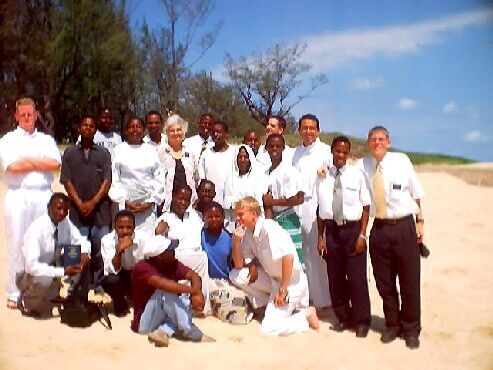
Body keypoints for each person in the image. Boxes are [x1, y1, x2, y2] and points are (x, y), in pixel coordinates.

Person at [357, 126, 425, 349]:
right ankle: (393, 325)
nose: (377, 143)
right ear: (368, 142)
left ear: (389, 141)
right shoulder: (362, 165)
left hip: (404, 226)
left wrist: (420, 221)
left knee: (409, 282)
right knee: (384, 283)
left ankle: (411, 329)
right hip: (379, 230)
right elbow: (341, 173)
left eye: (381, 139)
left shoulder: (401, 160)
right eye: (373, 139)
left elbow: (416, 193)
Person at [0, 97, 61, 309]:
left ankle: (49, 288)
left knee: (47, 242)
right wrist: (39, 162)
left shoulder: (45, 140)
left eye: (30, 114)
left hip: (44, 195)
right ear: (16, 116)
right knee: (17, 242)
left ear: (36, 115)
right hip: (18, 195)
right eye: (22, 114)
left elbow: (54, 164)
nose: (27, 118)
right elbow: (12, 167)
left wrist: (27, 160)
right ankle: (15, 290)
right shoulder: (7, 140)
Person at [229, 196, 319, 335]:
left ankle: (304, 316)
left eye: (241, 214)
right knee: (235, 275)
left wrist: (283, 291)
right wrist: (235, 241)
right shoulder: (247, 233)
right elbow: (240, 264)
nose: (238, 218)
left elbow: (288, 258)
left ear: (254, 214)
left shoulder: (270, 228)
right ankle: (267, 304)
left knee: (269, 329)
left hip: (291, 282)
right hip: (273, 280)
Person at [316, 136, 371, 338]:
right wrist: (320, 237)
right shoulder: (322, 176)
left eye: (344, 152)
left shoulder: (357, 175)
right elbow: (319, 209)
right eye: (337, 151)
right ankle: (343, 317)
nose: (340, 155)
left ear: (348, 154)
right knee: (335, 278)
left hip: (352, 231)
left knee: (357, 279)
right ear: (332, 151)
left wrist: (362, 235)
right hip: (331, 232)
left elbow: (366, 206)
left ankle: (362, 321)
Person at [17, 193, 91, 317]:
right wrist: (63, 271)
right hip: (29, 275)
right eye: (58, 208)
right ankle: (27, 302)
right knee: (44, 281)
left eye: (65, 210)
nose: (62, 213)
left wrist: (84, 255)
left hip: (52, 265)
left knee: (79, 255)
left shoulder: (65, 223)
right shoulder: (37, 229)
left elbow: (81, 241)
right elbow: (31, 266)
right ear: (48, 207)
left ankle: (73, 298)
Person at [60, 115, 112, 293]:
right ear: (79, 129)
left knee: (99, 250)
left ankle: (97, 285)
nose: (88, 128)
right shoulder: (69, 153)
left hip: (100, 212)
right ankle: (74, 285)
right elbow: (66, 181)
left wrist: (92, 203)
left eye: (92, 126)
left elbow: (107, 181)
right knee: (74, 250)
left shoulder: (104, 154)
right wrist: (80, 204)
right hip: (76, 212)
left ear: (95, 130)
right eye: (85, 125)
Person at [131, 237, 209, 347]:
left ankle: (163, 331)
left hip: (162, 316)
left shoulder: (172, 263)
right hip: (144, 323)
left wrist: (196, 293)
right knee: (164, 293)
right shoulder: (142, 267)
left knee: (186, 300)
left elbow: (194, 275)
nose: (174, 251)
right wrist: (194, 291)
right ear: (159, 255)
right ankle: (193, 333)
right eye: (170, 249)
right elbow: (162, 284)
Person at [292, 114, 332, 309]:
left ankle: (324, 300)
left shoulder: (326, 151)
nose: (308, 131)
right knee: (302, 253)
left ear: (318, 130)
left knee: (318, 253)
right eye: (304, 128)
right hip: (297, 205)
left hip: (316, 205)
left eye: (312, 128)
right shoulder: (294, 153)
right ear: (299, 130)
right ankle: (307, 297)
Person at [155, 185, 211, 314]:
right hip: (178, 260)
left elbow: (207, 224)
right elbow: (158, 237)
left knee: (202, 259)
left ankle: (199, 307)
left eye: (186, 200)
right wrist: (159, 231)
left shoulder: (195, 216)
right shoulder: (165, 218)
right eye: (180, 198)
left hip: (198, 260)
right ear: (173, 197)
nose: (183, 202)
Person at [109, 117, 164, 234]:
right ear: (126, 131)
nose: (135, 130)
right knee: (124, 240)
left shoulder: (151, 150)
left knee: (145, 243)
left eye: (138, 126)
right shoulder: (118, 150)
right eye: (131, 127)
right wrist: (125, 201)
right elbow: (114, 178)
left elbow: (159, 177)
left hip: (146, 205)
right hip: (124, 205)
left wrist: (150, 202)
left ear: (144, 130)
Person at [262, 134, 305, 270]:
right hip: (272, 220)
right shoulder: (266, 172)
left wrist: (272, 202)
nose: (274, 149)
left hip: (288, 219)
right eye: (271, 146)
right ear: (266, 148)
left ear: (283, 148)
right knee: (279, 262)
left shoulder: (289, 171)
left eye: (278, 146)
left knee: (294, 261)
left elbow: (299, 198)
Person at [101, 210, 146, 316]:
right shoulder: (107, 240)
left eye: (129, 227)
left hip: (136, 275)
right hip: (119, 275)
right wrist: (119, 251)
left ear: (134, 227)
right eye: (120, 227)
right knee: (110, 280)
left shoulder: (143, 239)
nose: (125, 231)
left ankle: (136, 298)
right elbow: (112, 270)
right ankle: (119, 302)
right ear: (114, 227)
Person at [157, 114, 198, 211]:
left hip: (188, 204)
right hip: (168, 203)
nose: (176, 133)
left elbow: (196, 177)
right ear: (167, 133)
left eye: (179, 129)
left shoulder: (190, 152)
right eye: (172, 130)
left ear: (183, 132)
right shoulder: (161, 152)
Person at [223, 144, 266, 232]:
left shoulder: (257, 177)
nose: (242, 160)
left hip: (253, 221)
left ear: (250, 159)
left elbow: (258, 201)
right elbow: (227, 202)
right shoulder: (230, 178)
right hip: (235, 220)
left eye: (245, 157)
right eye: (240, 157)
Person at [198, 121, 236, 205]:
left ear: (226, 134)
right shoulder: (206, 153)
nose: (215, 134)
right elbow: (202, 178)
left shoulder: (234, 152)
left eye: (219, 132)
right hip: (211, 201)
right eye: (213, 132)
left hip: (230, 200)